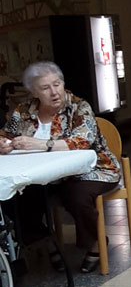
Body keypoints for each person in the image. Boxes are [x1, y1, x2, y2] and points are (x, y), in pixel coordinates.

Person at [0, 61, 121, 273]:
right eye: (45, 88)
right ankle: (47, 241)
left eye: (57, 84)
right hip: (43, 175)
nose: (54, 92)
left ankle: (95, 242)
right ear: (34, 92)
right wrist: (3, 144)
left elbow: (84, 141)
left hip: (92, 169)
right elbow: (5, 134)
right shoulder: (23, 111)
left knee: (76, 196)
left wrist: (41, 144)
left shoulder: (78, 107)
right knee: (15, 198)